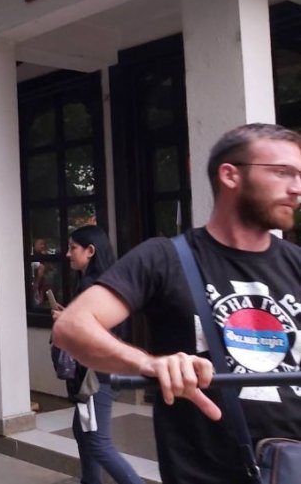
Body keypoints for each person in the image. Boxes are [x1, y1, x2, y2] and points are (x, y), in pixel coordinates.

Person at [54, 123, 301, 484]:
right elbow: (71, 327)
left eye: (298, 175)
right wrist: (150, 364)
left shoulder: (296, 263)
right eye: (281, 172)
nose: (296, 187)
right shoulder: (166, 258)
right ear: (230, 175)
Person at [51, 226, 142, 484]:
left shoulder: (92, 286)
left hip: (97, 374)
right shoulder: (106, 283)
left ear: (90, 251)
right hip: (100, 371)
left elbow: (97, 331)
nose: (68, 254)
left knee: (98, 442)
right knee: (83, 431)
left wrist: (66, 320)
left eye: (73, 248)